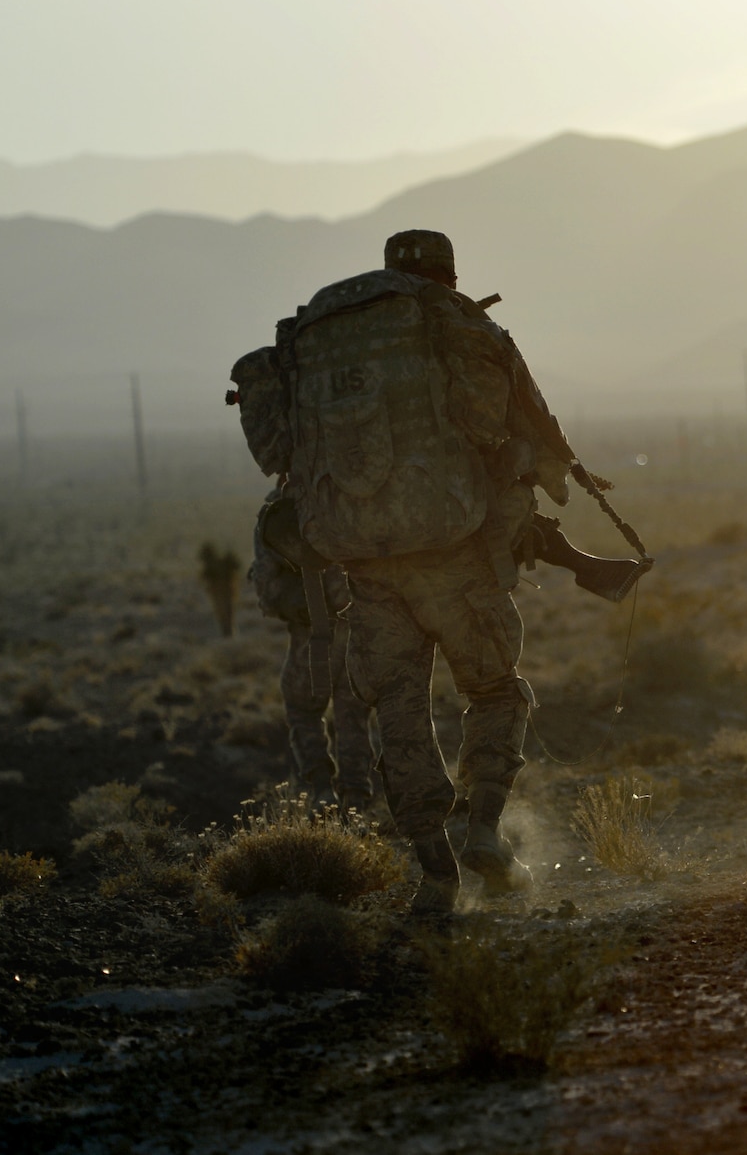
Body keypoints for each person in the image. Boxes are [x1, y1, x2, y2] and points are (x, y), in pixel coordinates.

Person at [232, 229, 582, 913]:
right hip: (449, 550)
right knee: (495, 690)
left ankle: (435, 872)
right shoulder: (446, 321)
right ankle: (484, 831)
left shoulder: (325, 337)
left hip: (362, 560)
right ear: (449, 276)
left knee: (398, 712)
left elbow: (281, 456)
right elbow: (487, 421)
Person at [248, 488, 374, 808]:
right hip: (360, 633)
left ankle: (320, 788)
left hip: (312, 636)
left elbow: (265, 587)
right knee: (354, 714)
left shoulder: (280, 514)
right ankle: (356, 797)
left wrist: (290, 603)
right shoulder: (356, 501)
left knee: (302, 709)